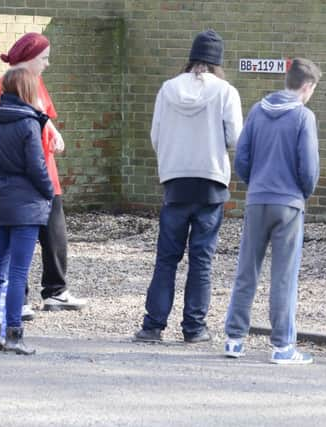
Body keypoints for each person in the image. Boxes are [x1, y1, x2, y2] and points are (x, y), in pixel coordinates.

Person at [133, 29, 243, 343]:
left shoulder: (167, 89)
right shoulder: (225, 92)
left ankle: (152, 325)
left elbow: (155, 135)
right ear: (217, 62)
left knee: (166, 257)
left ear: (191, 58)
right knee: (202, 258)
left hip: (175, 181)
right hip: (210, 182)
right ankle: (194, 328)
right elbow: (236, 138)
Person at [223, 58, 321, 365]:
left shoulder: (257, 111)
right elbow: (309, 168)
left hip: (257, 199)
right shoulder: (304, 117)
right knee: (283, 276)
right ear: (306, 86)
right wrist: (301, 193)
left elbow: (242, 157)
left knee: (246, 270)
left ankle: (234, 340)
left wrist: (256, 183)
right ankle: (282, 346)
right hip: (288, 202)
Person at [0, 33, 87, 321]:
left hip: (46, 173)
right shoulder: (4, 87)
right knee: (20, 244)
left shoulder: (37, 84)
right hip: (27, 178)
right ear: (29, 59)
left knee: (55, 235)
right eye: (43, 58)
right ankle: (18, 300)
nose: (47, 63)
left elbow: (44, 116)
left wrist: (54, 132)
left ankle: (55, 290)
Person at [0, 68, 54, 355]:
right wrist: (48, 191)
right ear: (26, 90)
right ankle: (14, 334)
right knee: (19, 273)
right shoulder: (28, 124)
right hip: (27, 205)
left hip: (2, 201)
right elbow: (37, 166)